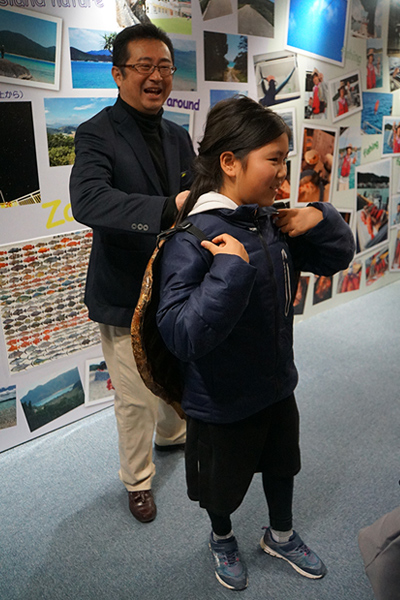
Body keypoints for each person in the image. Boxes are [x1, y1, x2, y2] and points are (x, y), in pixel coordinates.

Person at [155, 96, 355, 590]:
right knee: (219, 489)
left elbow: (338, 257)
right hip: (219, 400)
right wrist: (229, 269)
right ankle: (222, 538)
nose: (283, 177)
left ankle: (281, 535)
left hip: (275, 382)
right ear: (229, 162)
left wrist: (320, 216)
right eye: (274, 161)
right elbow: (182, 332)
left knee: (283, 465)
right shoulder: (192, 237)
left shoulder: (269, 222)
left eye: (286, 161)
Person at [69, 23, 195, 523]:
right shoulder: (95, 132)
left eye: (164, 66)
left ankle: (173, 438)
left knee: (172, 372)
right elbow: (89, 200)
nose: (156, 76)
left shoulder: (178, 133)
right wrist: (166, 209)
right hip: (124, 289)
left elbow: (197, 196)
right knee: (135, 397)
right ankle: (138, 482)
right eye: (144, 66)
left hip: (176, 284)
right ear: (118, 74)